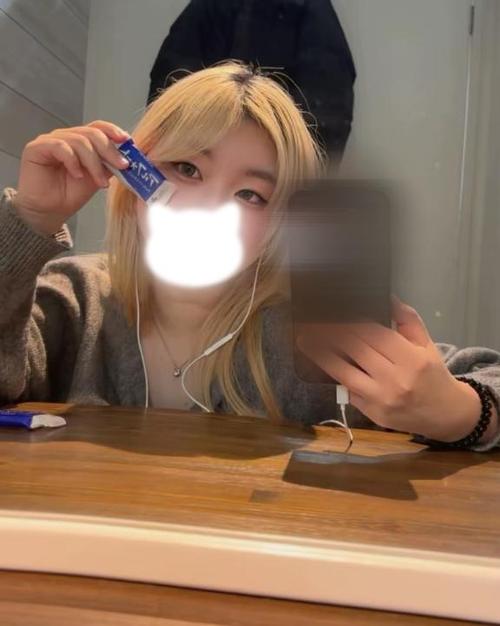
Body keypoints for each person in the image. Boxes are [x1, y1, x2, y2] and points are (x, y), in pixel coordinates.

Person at [0, 62, 499, 452]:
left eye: (251, 195)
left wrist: (460, 412)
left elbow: (482, 378)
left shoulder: (314, 335)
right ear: (134, 177)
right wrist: (28, 219)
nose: (208, 207)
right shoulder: (74, 299)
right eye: (187, 169)